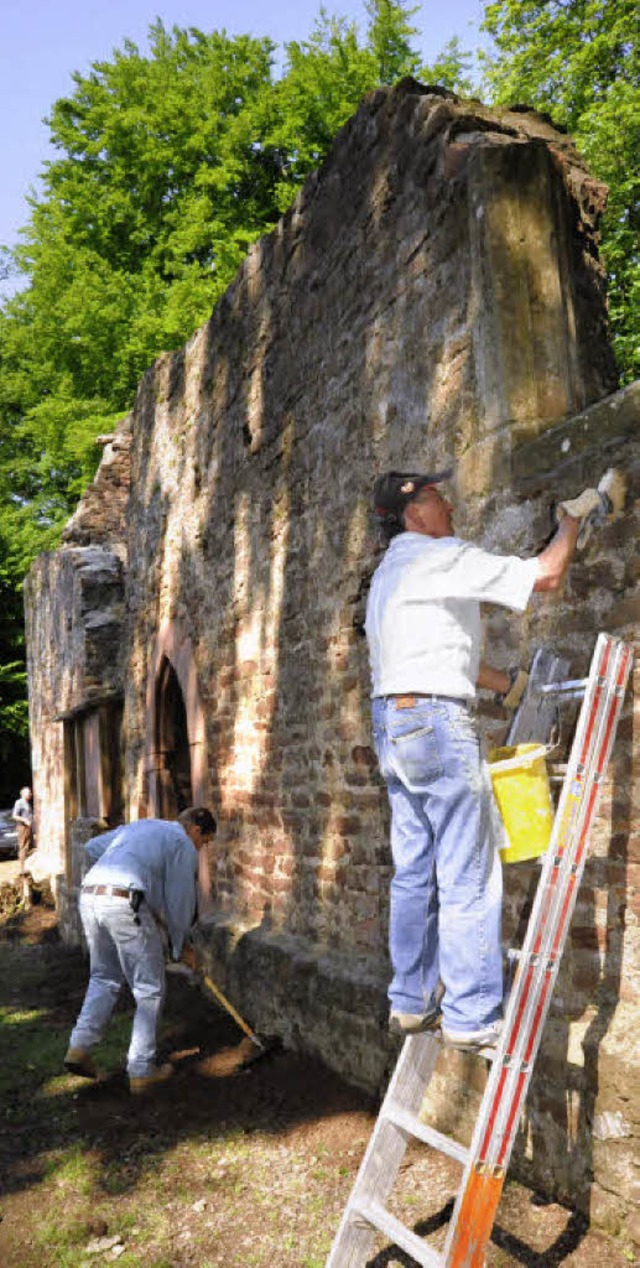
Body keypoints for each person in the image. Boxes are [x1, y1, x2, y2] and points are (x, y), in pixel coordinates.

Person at [365, 467, 624, 1051]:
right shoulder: (439, 556)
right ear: (413, 515)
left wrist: (504, 683)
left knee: (414, 869)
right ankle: (472, 1016)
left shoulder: (389, 575)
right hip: (435, 725)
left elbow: (430, 655)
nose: (450, 505)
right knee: (468, 870)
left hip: (394, 722)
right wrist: (572, 520)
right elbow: (548, 576)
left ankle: (409, 1000)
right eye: (437, 498)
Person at [64, 806, 217, 1093]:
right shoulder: (183, 843)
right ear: (196, 830)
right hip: (126, 900)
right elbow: (179, 900)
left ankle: (79, 1047)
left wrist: (133, 874)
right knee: (149, 988)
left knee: (104, 977)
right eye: (205, 841)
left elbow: (93, 846)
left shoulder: (144, 826)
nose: (202, 848)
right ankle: (142, 1070)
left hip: (91, 895)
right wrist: (179, 946)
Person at [11, 786, 34, 872]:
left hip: (28, 828)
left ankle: (26, 867)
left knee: (28, 847)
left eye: (30, 793)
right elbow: (14, 816)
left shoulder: (27, 803)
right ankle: (22, 868)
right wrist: (24, 820)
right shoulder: (19, 802)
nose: (30, 794)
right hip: (22, 827)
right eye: (29, 793)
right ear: (23, 794)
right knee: (23, 847)